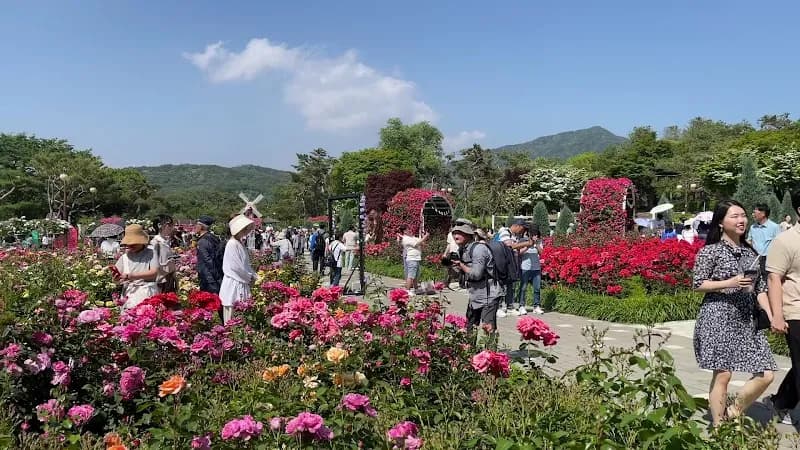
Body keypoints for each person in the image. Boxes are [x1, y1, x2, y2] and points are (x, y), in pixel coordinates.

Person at [692, 200, 776, 426]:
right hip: (718, 315)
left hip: (746, 319)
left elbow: (759, 289)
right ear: (721, 223)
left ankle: (733, 412)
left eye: (743, 215)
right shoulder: (711, 251)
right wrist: (730, 282)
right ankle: (719, 427)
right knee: (723, 374)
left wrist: (771, 315)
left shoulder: (751, 252)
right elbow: (698, 283)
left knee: (766, 374)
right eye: (734, 216)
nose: (741, 220)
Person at [765, 193, 800, 424]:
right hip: (796, 311)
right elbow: (773, 278)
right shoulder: (786, 240)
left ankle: (782, 402)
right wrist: (777, 315)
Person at [451, 223, 503, 332]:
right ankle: (471, 348)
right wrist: (452, 266)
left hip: (489, 295)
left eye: (460, 233)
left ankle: (490, 349)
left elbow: (476, 274)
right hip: (475, 295)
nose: (456, 235)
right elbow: (461, 274)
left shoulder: (479, 249)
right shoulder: (462, 250)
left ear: (469, 235)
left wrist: (461, 265)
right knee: (470, 327)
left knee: (487, 329)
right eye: (454, 233)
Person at [219, 215, 257, 324]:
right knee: (233, 315)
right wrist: (250, 277)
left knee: (241, 314)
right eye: (245, 228)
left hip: (241, 281)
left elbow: (245, 265)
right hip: (235, 283)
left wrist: (253, 275)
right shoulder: (232, 244)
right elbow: (236, 267)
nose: (246, 231)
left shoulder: (238, 243)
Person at [114, 224, 159, 310]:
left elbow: (154, 272)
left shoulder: (151, 253)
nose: (131, 246)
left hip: (147, 293)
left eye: (134, 243)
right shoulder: (124, 257)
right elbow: (117, 280)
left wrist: (130, 276)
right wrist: (116, 278)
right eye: (129, 244)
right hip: (129, 295)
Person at [497, 219, 528, 318]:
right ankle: (499, 307)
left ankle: (510, 307)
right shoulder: (504, 231)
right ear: (517, 226)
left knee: (511, 286)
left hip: (511, 264)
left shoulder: (514, 236)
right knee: (502, 286)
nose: (522, 232)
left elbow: (516, 251)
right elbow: (510, 245)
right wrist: (527, 243)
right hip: (502, 264)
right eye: (522, 229)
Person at [518, 226, 544, 315]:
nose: (535, 237)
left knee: (537, 288)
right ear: (530, 235)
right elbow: (520, 253)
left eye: (537, 235)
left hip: (536, 268)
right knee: (523, 288)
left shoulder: (539, 242)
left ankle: (536, 306)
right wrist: (528, 245)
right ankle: (521, 306)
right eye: (534, 235)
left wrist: (536, 244)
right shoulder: (524, 241)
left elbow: (541, 253)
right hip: (525, 268)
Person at [195, 215, 223, 295]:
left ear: (201, 226)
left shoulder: (202, 241)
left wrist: (216, 277)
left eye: (197, 225)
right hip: (216, 274)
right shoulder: (214, 238)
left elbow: (208, 261)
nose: (195, 227)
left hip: (208, 278)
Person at [151, 215, 178, 293]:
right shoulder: (156, 242)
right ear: (159, 225)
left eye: (172, 224)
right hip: (162, 279)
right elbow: (152, 263)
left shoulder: (165, 241)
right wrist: (166, 263)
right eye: (169, 224)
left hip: (169, 277)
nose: (171, 227)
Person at [400, 225, 429, 291]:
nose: (410, 230)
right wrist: (425, 236)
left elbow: (422, 243)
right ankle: (407, 291)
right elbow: (416, 244)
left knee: (416, 276)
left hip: (417, 258)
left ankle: (416, 289)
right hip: (412, 259)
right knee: (411, 276)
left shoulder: (413, 237)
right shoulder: (405, 239)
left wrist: (423, 237)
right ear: (404, 231)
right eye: (408, 229)